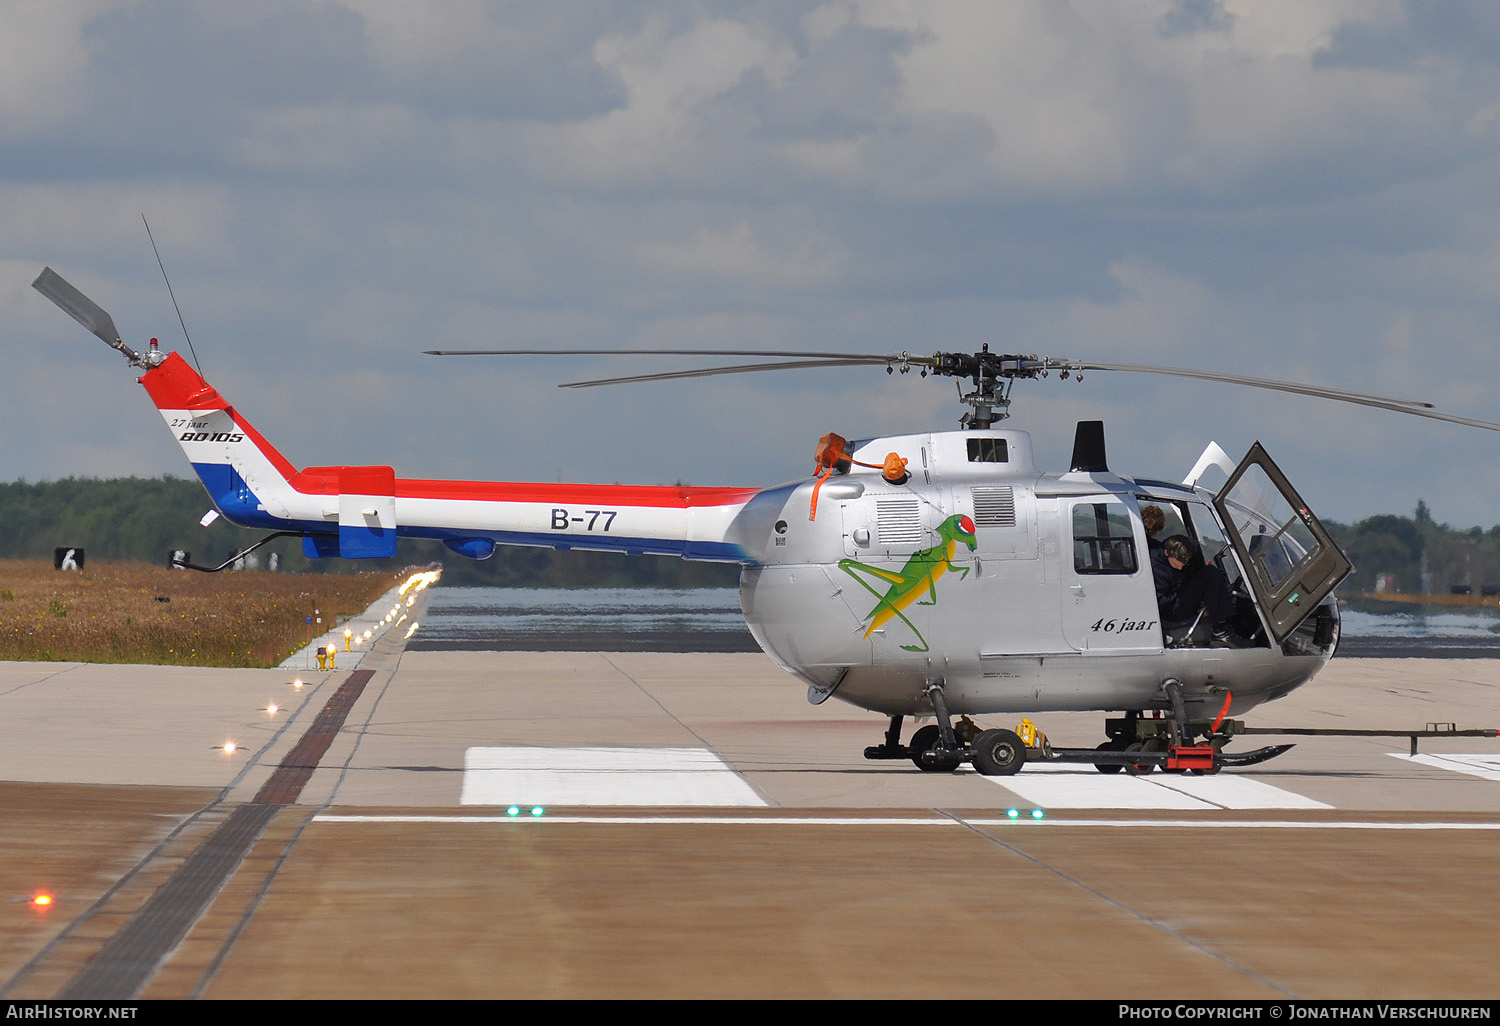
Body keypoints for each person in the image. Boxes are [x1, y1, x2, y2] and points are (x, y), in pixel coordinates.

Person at [1151, 534, 1245, 646]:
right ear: (1167, 553)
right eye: (1176, 566)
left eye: (1183, 565)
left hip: (1185, 590)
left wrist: (1204, 601)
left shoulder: (1193, 548)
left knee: (1215, 577)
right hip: (1171, 605)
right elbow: (1162, 602)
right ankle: (1221, 631)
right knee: (1210, 573)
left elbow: (1198, 572)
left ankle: (1237, 624)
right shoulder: (1155, 566)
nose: (1180, 568)